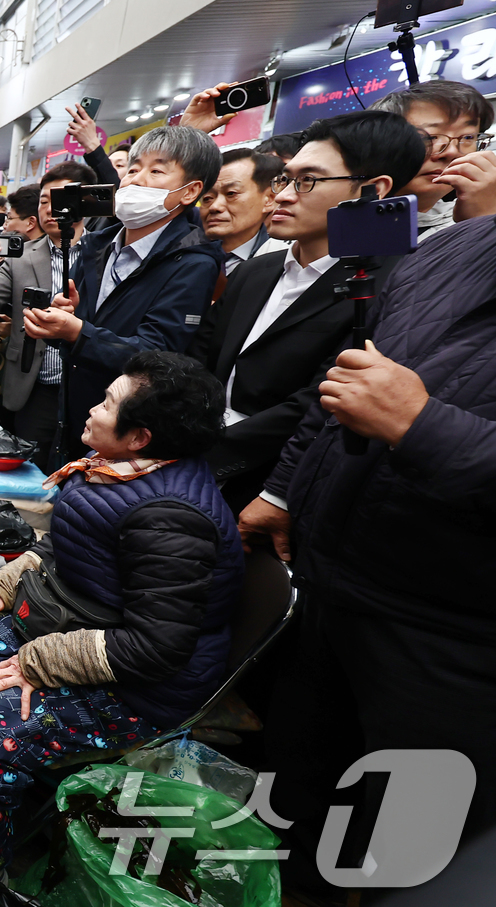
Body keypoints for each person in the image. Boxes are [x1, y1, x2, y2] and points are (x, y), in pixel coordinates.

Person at [237, 214, 496, 904]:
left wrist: (424, 426)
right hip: (332, 587)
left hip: (452, 635)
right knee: (296, 793)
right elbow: (342, 385)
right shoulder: (453, 245)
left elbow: (399, 408)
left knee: (409, 849)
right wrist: (284, 490)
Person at [0, 350, 243, 877]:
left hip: (141, 686)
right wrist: (5, 584)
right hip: (77, 619)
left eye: (107, 404)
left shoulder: (172, 519)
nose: (92, 409)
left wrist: (38, 663)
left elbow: (155, 647)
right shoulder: (112, 470)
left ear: (140, 438)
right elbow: (68, 545)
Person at [187, 111, 426, 515]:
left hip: (280, 485)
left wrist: (200, 455)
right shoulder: (257, 269)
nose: (282, 196)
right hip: (196, 456)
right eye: (285, 179)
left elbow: (317, 404)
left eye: (308, 181)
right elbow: (200, 358)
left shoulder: (390, 287)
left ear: (372, 190)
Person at [27, 126, 223, 462]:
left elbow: (158, 353)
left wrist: (78, 332)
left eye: (156, 171)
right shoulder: (97, 247)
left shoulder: (193, 263)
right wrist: (61, 323)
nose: (136, 180)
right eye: (133, 169)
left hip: (127, 431)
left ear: (190, 191)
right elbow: (80, 333)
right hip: (75, 414)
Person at [0, 161, 97, 472]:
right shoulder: (21, 257)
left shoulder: (105, 252)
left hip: (90, 391)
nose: (50, 209)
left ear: (85, 203)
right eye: (44, 200)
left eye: (60, 199)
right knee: (30, 472)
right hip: (34, 387)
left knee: (81, 473)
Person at [373, 80, 496, 237]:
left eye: (468, 137)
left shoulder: (475, 219)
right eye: (428, 137)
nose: (451, 152)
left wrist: (483, 223)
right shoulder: (345, 222)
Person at [198, 148, 282, 277]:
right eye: (207, 198)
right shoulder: (178, 253)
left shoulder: (283, 262)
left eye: (231, 193)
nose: (214, 207)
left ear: (269, 199)